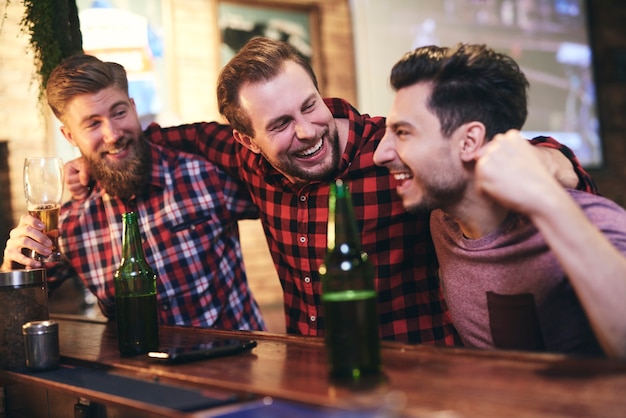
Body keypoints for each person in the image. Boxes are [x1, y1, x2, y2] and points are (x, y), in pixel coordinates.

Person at [63, 38, 595, 345]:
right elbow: (164, 138)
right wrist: (98, 156)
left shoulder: (391, 149)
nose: (307, 131)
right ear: (246, 140)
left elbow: (477, 144)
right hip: (314, 377)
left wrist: (556, 159)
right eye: (279, 125)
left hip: (426, 369)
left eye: (310, 105)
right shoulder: (242, 159)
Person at [373, 43, 626, 357]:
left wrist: (548, 202)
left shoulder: (595, 221)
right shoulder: (443, 223)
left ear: (469, 141)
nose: (380, 154)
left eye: (403, 132)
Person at [1, 54, 266, 332]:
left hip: (235, 363)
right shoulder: (71, 223)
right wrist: (11, 267)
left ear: (133, 107)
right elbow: (16, 318)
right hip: (136, 371)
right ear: (70, 136)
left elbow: (278, 201)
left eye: (119, 113)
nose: (113, 134)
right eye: (92, 124)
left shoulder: (202, 174)